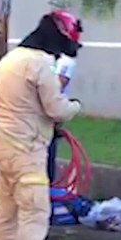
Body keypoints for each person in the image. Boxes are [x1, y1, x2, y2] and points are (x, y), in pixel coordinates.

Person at [0, 10, 84, 240]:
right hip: (27, 153)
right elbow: (55, 109)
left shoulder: (11, 59)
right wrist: (75, 106)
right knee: (34, 215)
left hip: (3, 149)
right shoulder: (40, 63)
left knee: (7, 214)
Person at [47, 54, 76, 184]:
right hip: (49, 117)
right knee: (47, 160)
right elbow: (60, 83)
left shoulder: (46, 59)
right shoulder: (67, 61)